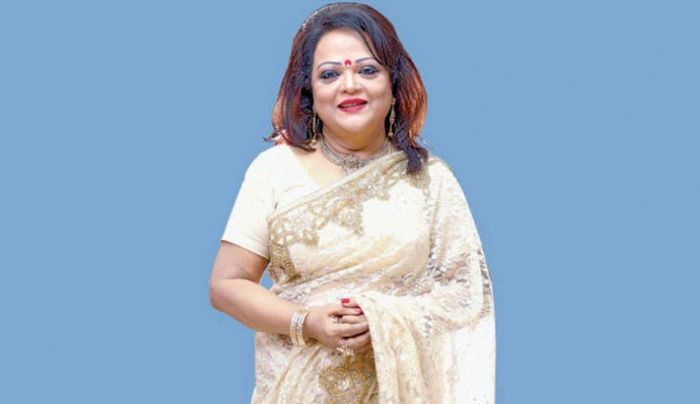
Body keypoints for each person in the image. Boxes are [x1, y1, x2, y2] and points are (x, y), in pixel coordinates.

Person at [209, 2, 496, 403]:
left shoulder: (431, 180)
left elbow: (466, 298)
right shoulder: (273, 170)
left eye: (367, 70)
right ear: (309, 91)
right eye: (330, 74)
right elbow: (227, 284)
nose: (349, 85)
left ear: (394, 84)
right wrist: (306, 322)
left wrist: (383, 320)